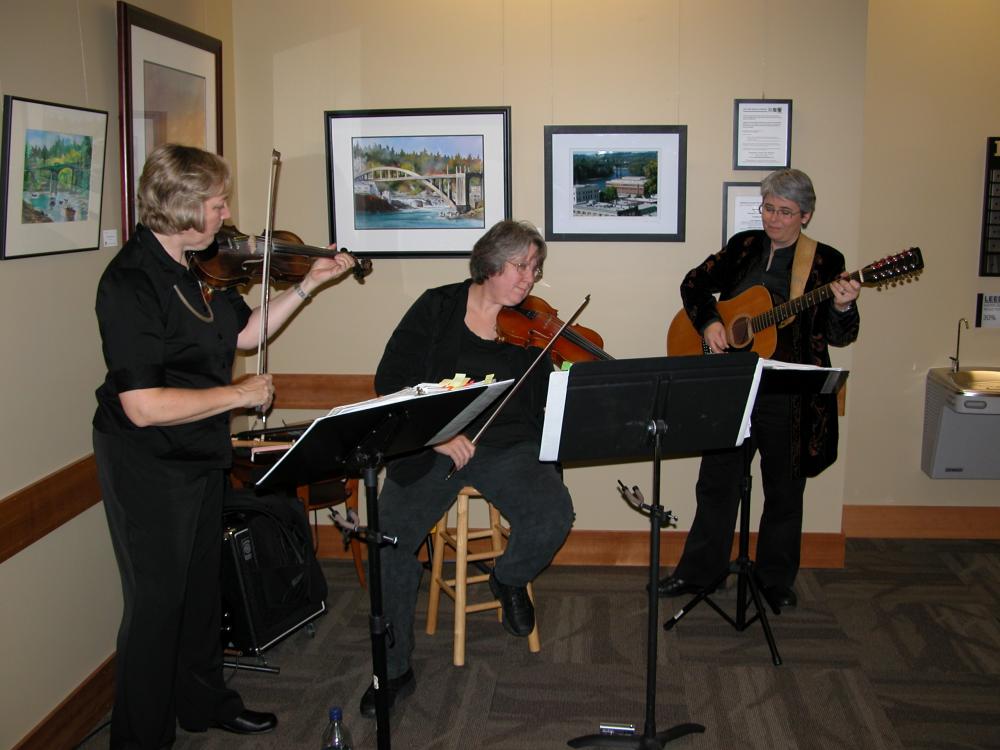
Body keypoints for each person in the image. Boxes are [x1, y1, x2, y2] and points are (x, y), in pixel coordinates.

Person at [92, 143, 357, 748]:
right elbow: (143, 405)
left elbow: (243, 334)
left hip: (199, 450)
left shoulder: (197, 266)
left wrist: (309, 286)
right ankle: (139, 739)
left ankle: (203, 701)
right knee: (156, 607)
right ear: (184, 209)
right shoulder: (131, 283)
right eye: (218, 202)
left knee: (201, 588)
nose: (227, 211)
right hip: (147, 463)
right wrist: (237, 398)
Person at [361, 219, 575, 717]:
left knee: (552, 514)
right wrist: (435, 437)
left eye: (535, 269)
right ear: (489, 264)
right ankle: (392, 671)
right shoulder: (437, 307)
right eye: (521, 267)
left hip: (508, 447)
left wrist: (569, 371)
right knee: (388, 543)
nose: (529, 279)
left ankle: (507, 577)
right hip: (436, 448)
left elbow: (549, 397)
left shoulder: (532, 329)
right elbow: (390, 380)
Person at [658, 168, 860, 611]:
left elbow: (840, 335)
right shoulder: (744, 246)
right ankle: (699, 573)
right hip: (733, 386)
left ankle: (774, 581)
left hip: (790, 393)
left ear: (805, 215)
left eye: (785, 212)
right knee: (716, 484)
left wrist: (843, 305)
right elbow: (693, 284)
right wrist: (711, 322)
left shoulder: (826, 262)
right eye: (768, 208)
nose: (773, 219)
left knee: (785, 491)